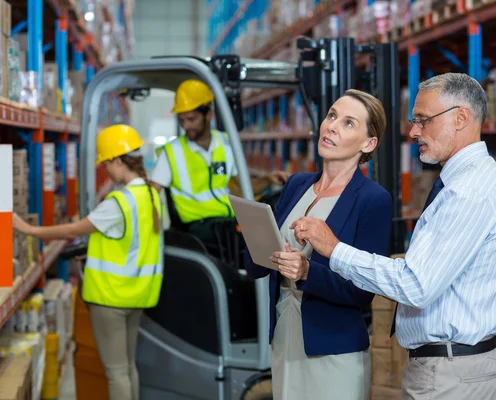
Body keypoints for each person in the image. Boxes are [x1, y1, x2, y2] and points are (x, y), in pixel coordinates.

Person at [292, 73, 496, 400]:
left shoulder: (469, 192)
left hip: (451, 372)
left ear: (461, 118)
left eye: (423, 120)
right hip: (454, 367)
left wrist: (335, 249)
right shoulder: (470, 183)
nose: (414, 131)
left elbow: (417, 285)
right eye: (413, 120)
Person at [244, 89, 393, 400]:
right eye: (332, 115)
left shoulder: (372, 200)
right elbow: (254, 264)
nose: (332, 126)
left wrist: (307, 271)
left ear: (369, 144)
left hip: (333, 349)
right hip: (285, 336)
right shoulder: (297, 184)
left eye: (349, 123)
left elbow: (364, 291)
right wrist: (258, 240)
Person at [13, 124, 163, 400]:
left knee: (115, 372)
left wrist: (30, 230)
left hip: (112, 298)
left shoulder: (120, 200)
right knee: (128, 368)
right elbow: (130, 241)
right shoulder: (152, 194)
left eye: (105, 163)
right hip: (139, 294)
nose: (104, 170)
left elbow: (74, 230)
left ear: (117, 160)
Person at [150, 79, 290, 245]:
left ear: (208, 114)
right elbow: (152, 192)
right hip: (198, 225)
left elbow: (244, 188)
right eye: (182, 121)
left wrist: (267, 179)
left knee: (275, 218)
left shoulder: (225, 143)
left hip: (227, 220)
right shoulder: (171, 152)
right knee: (248, 241)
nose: (186, 126)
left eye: (191, 119)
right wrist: (153, 231)